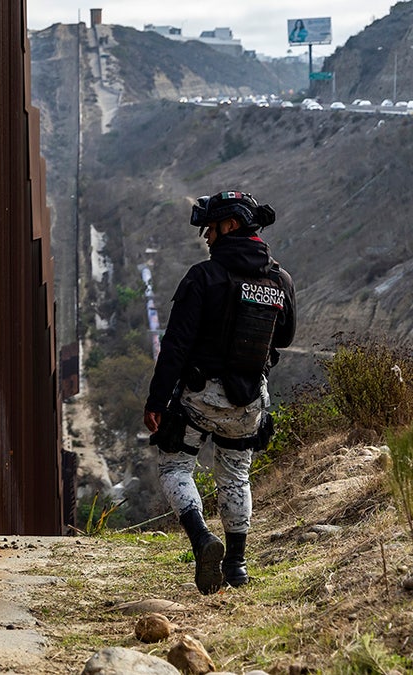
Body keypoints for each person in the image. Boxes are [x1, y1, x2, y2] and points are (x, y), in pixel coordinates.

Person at [143, 190, 296, 594]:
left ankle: (201, 540)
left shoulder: (203, 277)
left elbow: (174, 345)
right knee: (235, 475)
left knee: (175, 467)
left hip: (199, 396)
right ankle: (238, 565)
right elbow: (285, 336)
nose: (206, 237)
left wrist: (157, 401)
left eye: (210, 229)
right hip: (250, 400)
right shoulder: (279, 279)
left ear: (229, 226)